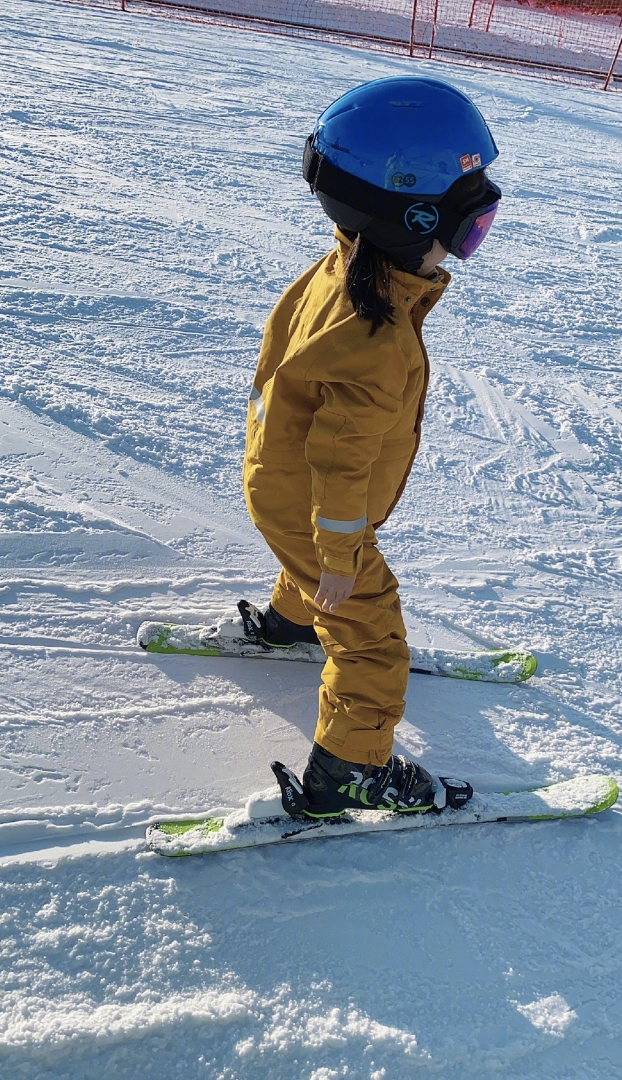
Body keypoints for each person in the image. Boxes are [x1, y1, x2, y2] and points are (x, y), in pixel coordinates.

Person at [242, 76, 501, 818]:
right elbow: (343, 457)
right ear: (411, 220)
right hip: (317, 502)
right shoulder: (378, 335)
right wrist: (341, 554)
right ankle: (349, 770)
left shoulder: (339, 272)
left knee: (318, 559)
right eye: (469, 229)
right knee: (371, 634)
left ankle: (295, 618)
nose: (463, 250)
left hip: (278, 481)